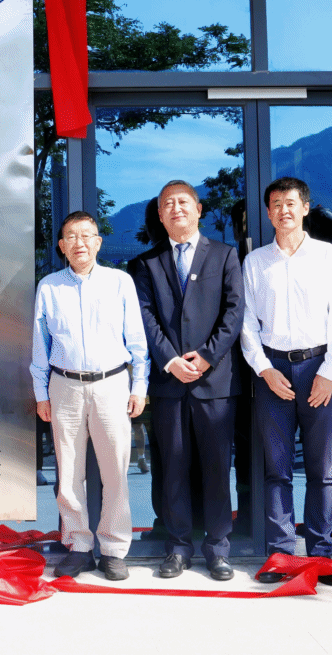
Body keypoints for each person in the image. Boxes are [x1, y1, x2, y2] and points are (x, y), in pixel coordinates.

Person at [129, 181, 243, 581]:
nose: (176, 208)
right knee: (173, 468)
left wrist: (207, 355)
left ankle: (218, 548)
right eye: (168, 204)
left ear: (198, 209)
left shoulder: (225, 255)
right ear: (160, 216)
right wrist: (170, 360)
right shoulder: (145, 263)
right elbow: (144, 317)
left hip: (216, 384)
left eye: (183, 202)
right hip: (169, 384)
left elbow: (234, 312)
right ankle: (177, 547)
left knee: (216, 468)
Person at [239, 178, 332, 586]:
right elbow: (247, 323)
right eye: (276, 204)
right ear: (268, 213)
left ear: (305, 208)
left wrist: (329, 372)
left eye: (290, 203)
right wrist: (263, 369)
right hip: (273, 371)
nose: (283, 210)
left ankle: (321, 553)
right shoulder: (255, 262)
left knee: (322, 469)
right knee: (277, 469)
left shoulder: (328, 257)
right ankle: (281, 554)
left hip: (318, 367)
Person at [30, 211, 149, 581]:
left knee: (115, 471)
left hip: (112, 383)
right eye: (71, 236)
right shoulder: (49, 286)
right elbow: (40, 345)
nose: (79, 243)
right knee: (68, 471)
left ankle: (113, 548)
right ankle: (79, 544)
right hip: (64, 386)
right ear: (61, 246)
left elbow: (137, 341)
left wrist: (139, 386)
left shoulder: (120, 282)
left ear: (98, 242)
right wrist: (40, 393)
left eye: (86, 235)